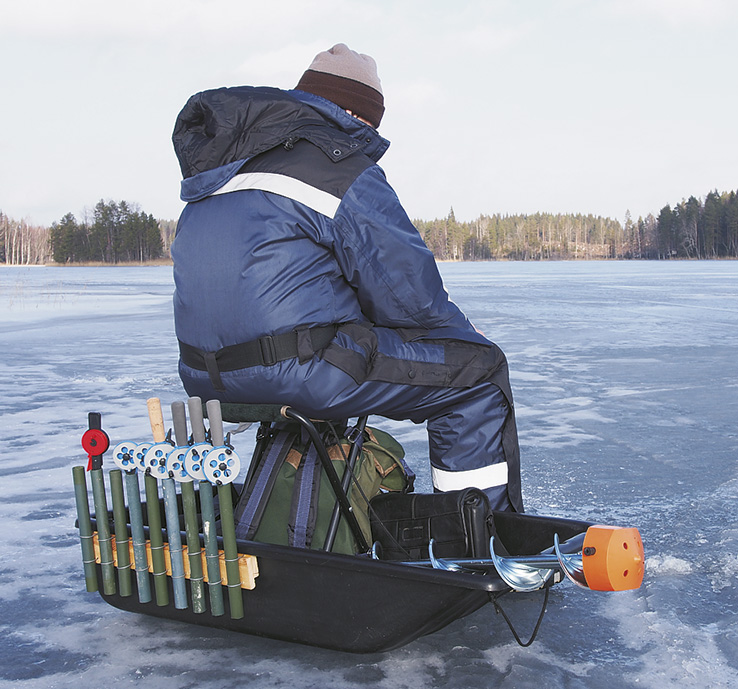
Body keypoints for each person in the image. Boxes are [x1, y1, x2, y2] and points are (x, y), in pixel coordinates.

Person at [171, 43, 522, 511]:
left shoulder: (221, 168)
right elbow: (407, 294)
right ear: (357, 114)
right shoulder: (338, 168)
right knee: (479, 376)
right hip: (299, 372)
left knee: (345, 348)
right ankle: (479, 540)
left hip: (204, 375)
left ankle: (297, 516)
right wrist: (462, 337)